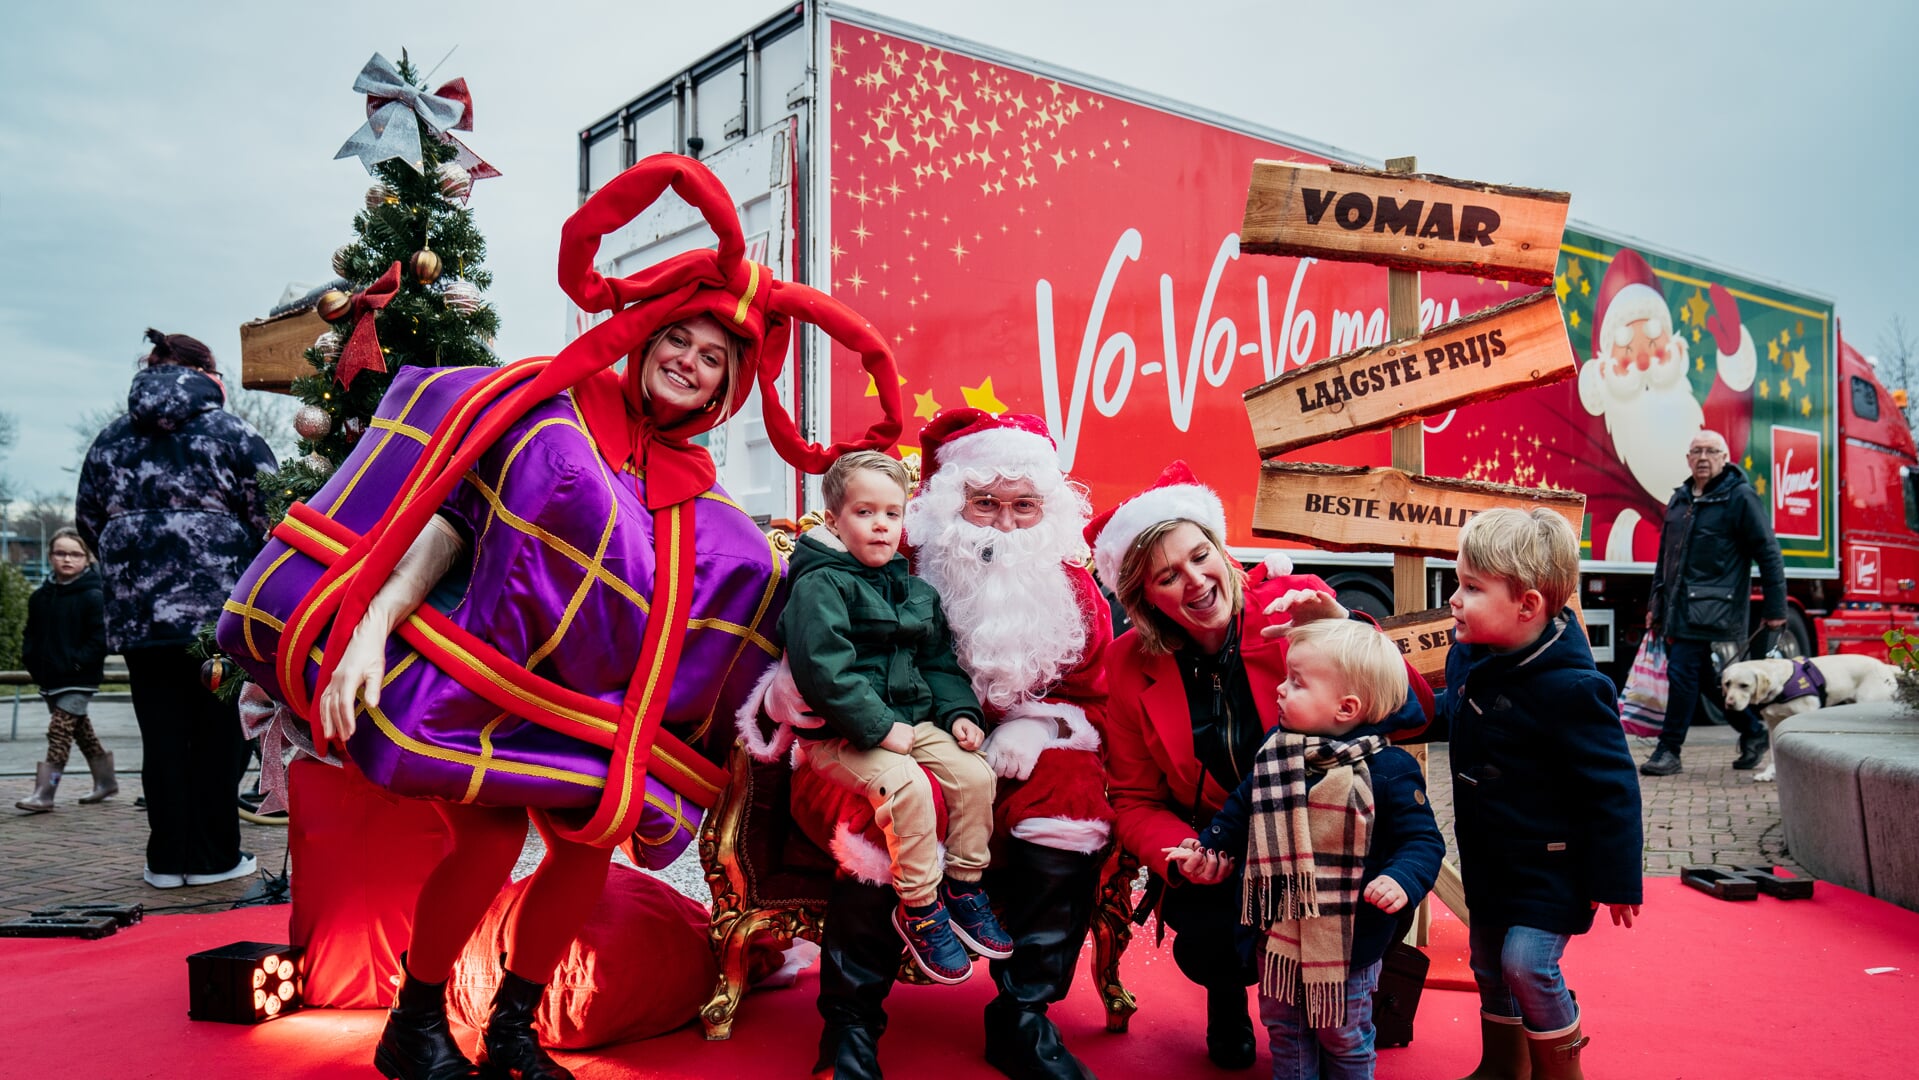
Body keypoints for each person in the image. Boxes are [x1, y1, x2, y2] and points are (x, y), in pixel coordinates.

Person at [806, 409, 1117, 1080]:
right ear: (951, 506)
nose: (1004, 525)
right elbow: (824, 645)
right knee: (885, 807)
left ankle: (1022, 1020)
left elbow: (1095, 694)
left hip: (1018, 746)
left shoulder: (1075, 591)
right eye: (984, 505)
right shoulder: (901, 564)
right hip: (898, 736)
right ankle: (850, 1028)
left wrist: (1037, 726)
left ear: (1048, 511)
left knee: (1071, 801)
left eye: (1023, 507)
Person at [1094, 461, 1433, 1072]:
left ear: (1222, 550)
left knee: (1362, 913)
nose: (1195, 582)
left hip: (1331, 838)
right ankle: (1228, 999)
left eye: (1200, 556)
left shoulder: (1292, 602)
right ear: (1144, 596)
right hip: (1221, 838)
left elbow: (1407, 713)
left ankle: (1344, 1008)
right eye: (1167, 576)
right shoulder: (1125, 665)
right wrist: (1188, 853)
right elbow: (1134, 798)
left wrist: (1341, 628)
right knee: (1209, 945)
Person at [1171, 617, 1443, 1080]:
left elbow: (1422, 840)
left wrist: (1402, 878)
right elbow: (1239, 814)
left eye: (1296, 682)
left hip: (1348, 941)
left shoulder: (1389, 770)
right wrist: (1207, 849)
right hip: (1275, 933)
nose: (1279, 689)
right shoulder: (1275, 754)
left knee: (1344, 1034)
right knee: (1285, 1027)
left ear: (1346, 706)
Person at [782, 450, 1012, 986]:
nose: (881, 524)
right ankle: (920, 906)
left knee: (975, 774)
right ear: (834, 520)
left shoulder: (915, 591)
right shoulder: (820, 586)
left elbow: (938, 662)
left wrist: (959, 713)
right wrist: (880, 728)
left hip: (914, 722)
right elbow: (823, 672)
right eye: (864, 512)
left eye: (892, 513)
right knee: (906, 787)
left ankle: (963, 884)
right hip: (843, 735)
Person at [1443, 508, 1642, 1080]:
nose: (1455, 599)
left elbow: (1613, 790)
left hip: (1553, 869)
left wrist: (1618, 879)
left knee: (1526, 965)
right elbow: (1443, 713)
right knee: (1487, 963)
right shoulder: (1472, 657)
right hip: (1489, 859)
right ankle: (1504, 1066)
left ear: (1527, 606)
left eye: (1472, 588)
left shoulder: (1575, 688)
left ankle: (1560, 1072)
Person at [76, 329, 276, 887]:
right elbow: (274, 515)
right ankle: (213, 857)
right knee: (218, 735)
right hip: (219, 618)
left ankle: (166, 860)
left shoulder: (110, 440)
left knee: (160, 735)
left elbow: (88, 520)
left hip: (141, 618)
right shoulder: (232, 434)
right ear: (208, 376)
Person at [1639, 428, 1786, 776]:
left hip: (1713, 605)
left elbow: (1768, 552)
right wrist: (1654, 605)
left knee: (1681, 673)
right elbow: (1665, 559)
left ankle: (1669, 750)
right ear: (1688, 459)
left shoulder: (1740, 497)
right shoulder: (1680, 499)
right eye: (1696, 451)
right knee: (1704, 677)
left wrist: (1776, 609)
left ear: (1724, 457)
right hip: (1677, 606)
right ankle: (1752, 731)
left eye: (1711, 451)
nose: (1703, 458)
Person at [16, 528, 116, 812]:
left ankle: (45, 792)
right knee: (81, 731)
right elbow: (31, 635)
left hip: (79, 677)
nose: (67, 559)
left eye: (75, 554)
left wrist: (76, 662)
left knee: (59, 729)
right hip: (50, 677)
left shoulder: (94, 595)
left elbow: (100, 638)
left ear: (86, 558)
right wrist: (32, 661)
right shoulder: (40, 597)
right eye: (61, 553)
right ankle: (106, 782)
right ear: (50, 557)